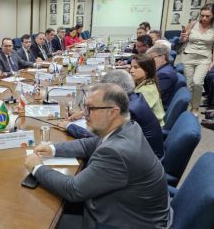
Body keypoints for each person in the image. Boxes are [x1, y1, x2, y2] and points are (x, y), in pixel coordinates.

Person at [24, 83, 171, 228]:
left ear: (113, 112)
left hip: (124, 222)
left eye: (91, 109)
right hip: (130, 209)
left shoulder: (116, 152)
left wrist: (37, 168)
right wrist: (52, 149)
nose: (85, 114)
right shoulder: (127, 126)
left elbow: (73, 190)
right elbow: (88, 144)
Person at [59, 70, 164, 159]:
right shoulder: (134, 97)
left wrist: (69, 126)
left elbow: (101, 140)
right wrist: (85, 113)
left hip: (139, 163)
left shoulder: (129, 111)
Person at [180, 3, 214, 116]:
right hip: (188, 56)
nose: (204, 18)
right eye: (202, 15)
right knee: (188, 84)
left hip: (204, 58)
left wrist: (213, 62)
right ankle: (188, 107)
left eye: (207, 16)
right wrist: (183, 37)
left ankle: (195, 107)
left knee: (197, 82)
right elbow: (183, 40)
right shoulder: (193, 23)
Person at [130, 54, 165, 126]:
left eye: (136, 67)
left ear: (147, 70)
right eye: (131, 67)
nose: (131, 70)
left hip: (150, 129)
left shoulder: (147, 91)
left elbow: (134, 114)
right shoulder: (147, 83)